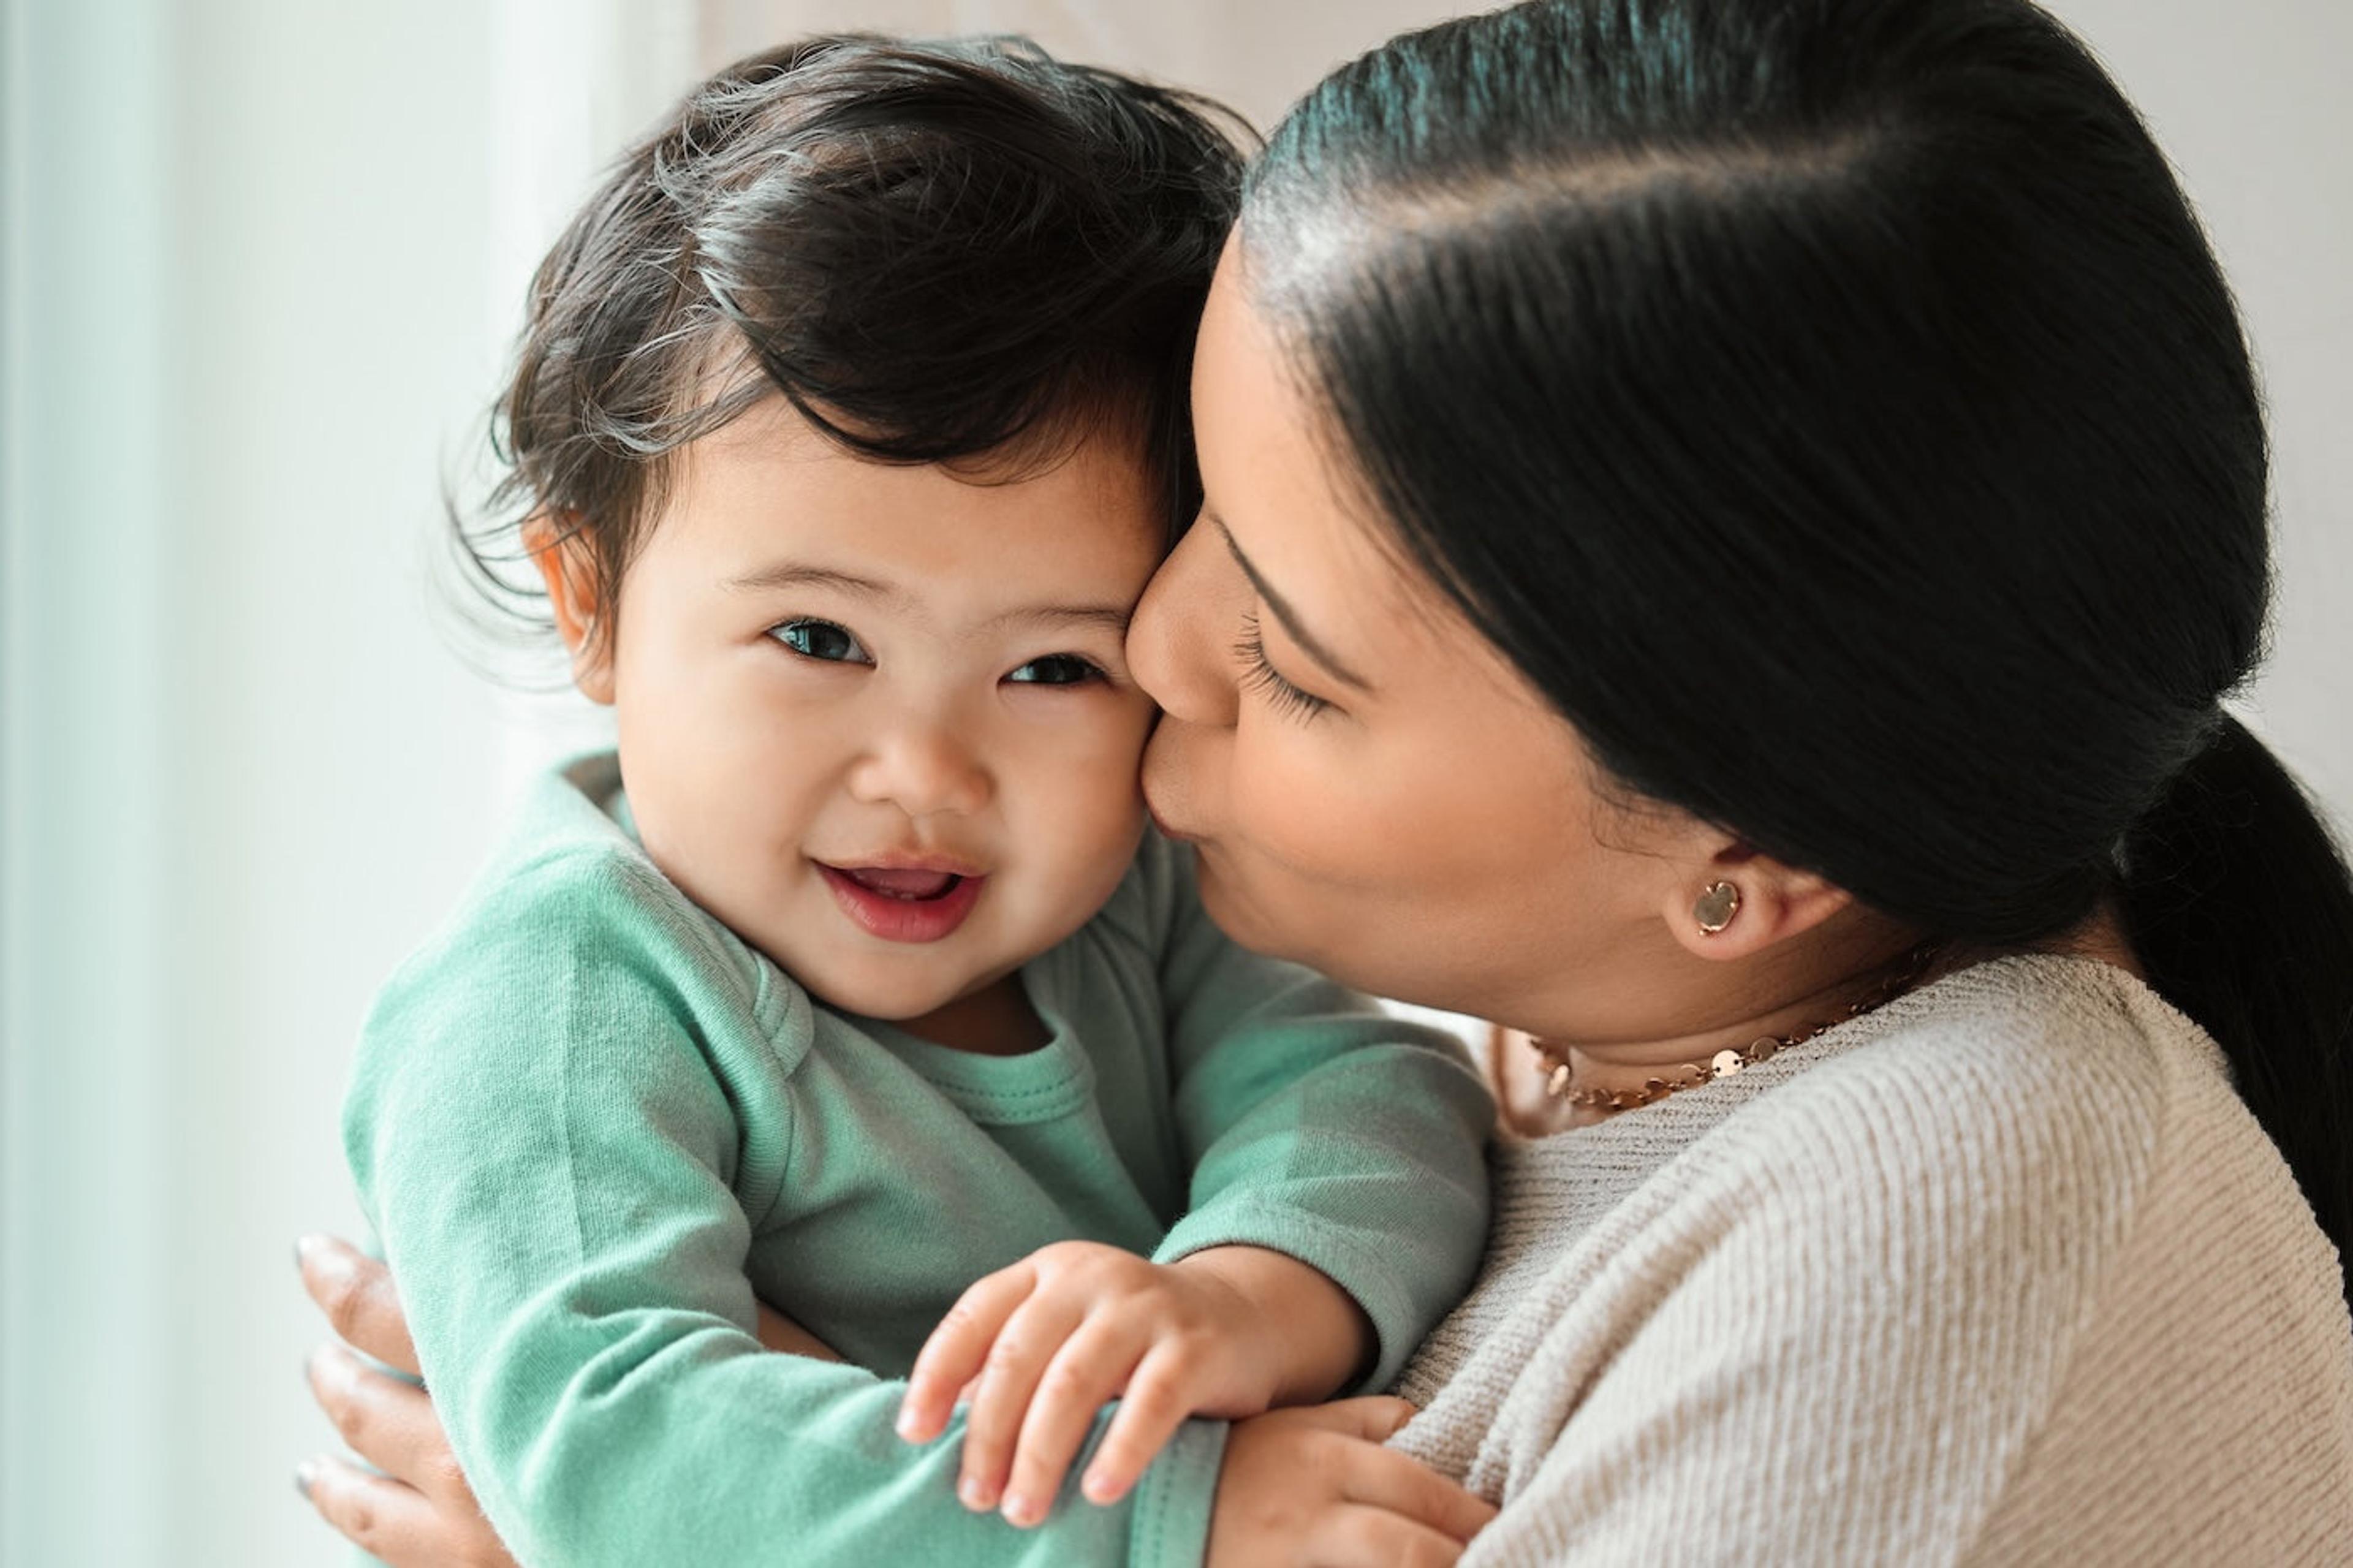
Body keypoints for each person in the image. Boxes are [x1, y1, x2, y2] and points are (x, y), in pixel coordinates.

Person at [300, 0, 2353, 1562]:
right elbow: (621, 1429)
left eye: (1279, 653)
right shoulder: (1560, 995)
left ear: (1748, 848)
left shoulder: (1938, 1241)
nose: (1146, 665)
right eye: (1197, 527)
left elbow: (1342, 1115)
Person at [330, 32, 1498, 1568]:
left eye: (1058, 669)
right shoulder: (555, 998)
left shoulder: (1130, 895)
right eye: (820, 639)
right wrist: (1161, 1518)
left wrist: (1238, 1296)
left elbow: (1375, 1098)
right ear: (591, 600)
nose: (928, 776)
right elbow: (618, 1452)